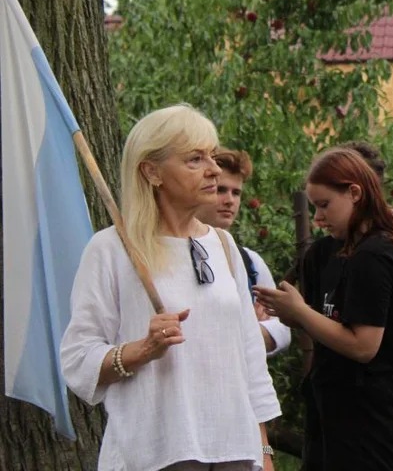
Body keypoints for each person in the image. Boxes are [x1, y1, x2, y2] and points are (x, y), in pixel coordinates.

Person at [60, 104, 280, 471]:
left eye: (211, 155)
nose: (212, 168)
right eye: (195, 159)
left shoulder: (224, 246)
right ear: (152, 171)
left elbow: (249, 359)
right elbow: (78, 359)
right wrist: (143, 349)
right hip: (156, 453)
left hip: (233, 451)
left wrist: (264, 452)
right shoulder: (112, 249)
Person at [255, 147, 393, 471]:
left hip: (370, 417)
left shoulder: (374, 255)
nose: (318, 218)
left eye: (324, 205)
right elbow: (335, 327)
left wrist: (301, 312)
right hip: (339, 411)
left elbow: (363, 346)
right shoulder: (340, 252)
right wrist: (296, 315)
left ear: (355, 192)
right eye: (314, 207)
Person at [196, 147, 291, 356]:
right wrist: (246, 329)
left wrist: (253, 334)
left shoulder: (249, 261)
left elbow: (282, 329)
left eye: (236, 192)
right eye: (221, 190)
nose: (230, 200)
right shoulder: (171, 252)